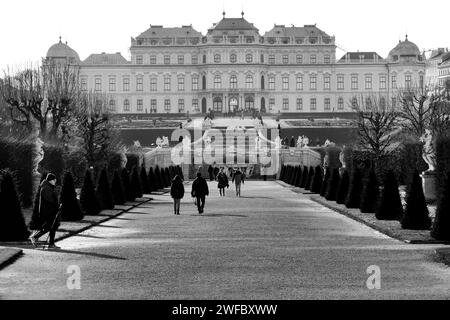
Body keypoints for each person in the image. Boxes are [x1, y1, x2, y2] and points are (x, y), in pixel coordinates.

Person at [29, 173, 60, 249]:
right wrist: (57, 205)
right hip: (47, 211)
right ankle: (35, 237)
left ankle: (50, 244)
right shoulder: (46, 188)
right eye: (54, 180)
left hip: (50, 210)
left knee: (52, 226)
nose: (55, 181)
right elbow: (50, 200)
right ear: (50, 180)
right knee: (50, 226)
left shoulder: (48, 187)